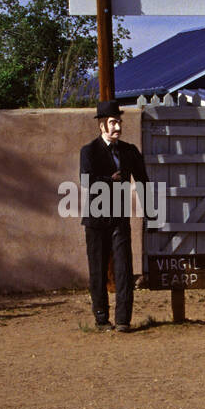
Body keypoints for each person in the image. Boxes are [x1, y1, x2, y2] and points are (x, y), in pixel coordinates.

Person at [79, 100, 150, 331]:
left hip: (119, 217)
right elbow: (86, 181)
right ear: (101, 126)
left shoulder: (129, 151)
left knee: (124, 267)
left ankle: (123, 320)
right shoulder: (89, 151)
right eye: (112, 123)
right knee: (97, 269)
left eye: (119, 122)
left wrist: (151, 212)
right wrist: (111, 180)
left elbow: (142, 182)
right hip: (96, 218)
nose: (117, 127)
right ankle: (101, 318)